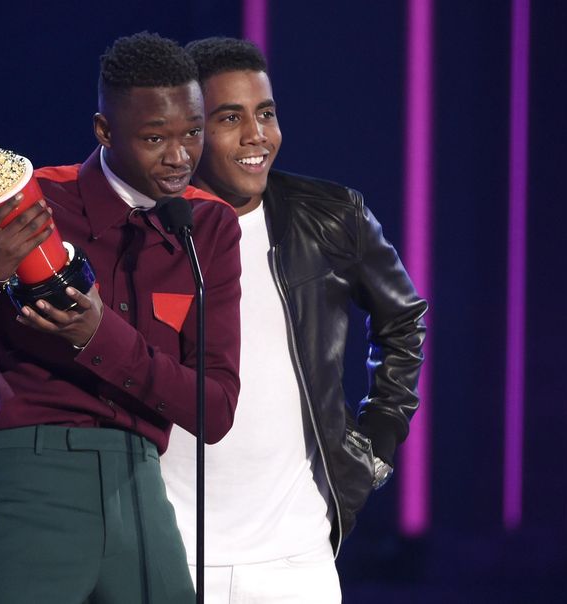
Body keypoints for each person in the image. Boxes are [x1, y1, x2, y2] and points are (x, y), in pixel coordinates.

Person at [0, 32, 241, 603]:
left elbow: (215, 409)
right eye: (155, 138)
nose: (180, 157)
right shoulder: (33, 204)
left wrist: (97, 336)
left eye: (192, 134)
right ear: (104, 131)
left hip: (141, 483)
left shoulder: (209, 226)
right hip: (31, 476)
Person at [160, 37, 428, 603]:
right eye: (230, 118)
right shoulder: (144, 229)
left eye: (266, 113)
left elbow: (403, 321)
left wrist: (377, 443)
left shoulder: (331, 217)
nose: (257, 135)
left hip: (293, 559)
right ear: (190, 132)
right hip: (167, 551)